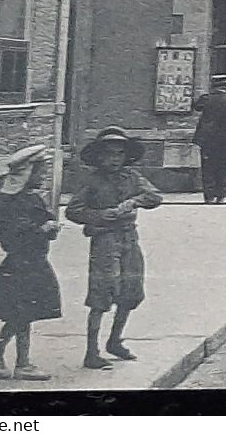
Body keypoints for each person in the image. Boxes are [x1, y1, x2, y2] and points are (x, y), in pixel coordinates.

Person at [65, 126, 163, 370]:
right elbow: (73, 211)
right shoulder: (92, 180)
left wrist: (132, 201)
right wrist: (100, 215)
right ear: (99, 157)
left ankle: (114, 341)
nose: (114, 159)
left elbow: (155, 197)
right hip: (105, 240)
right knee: (102, 294)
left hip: (130, 238)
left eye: (119, 154)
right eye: (108, 154)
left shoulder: (131, 177)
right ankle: (91, 352)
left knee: (131, 292)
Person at [0, 145, 62, 381]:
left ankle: (11, 359)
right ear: (27, 173)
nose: (43, 176)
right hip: (22, 264)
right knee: (22, 313)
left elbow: (44, 220)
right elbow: (13, 233)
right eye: (39, 171)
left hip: (35, 261)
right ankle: (13, 360)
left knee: (23, 313)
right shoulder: (14, 200)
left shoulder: (31, 197)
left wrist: (49, 228)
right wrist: (42, 229)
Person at [192, 75, 226, 204]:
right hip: (224, 139)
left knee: (207, 167)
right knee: (223, 166)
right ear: (225, 87)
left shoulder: (206, 99)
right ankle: (220, 195)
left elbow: (196, 106)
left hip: (207, 139)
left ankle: (209, 196)